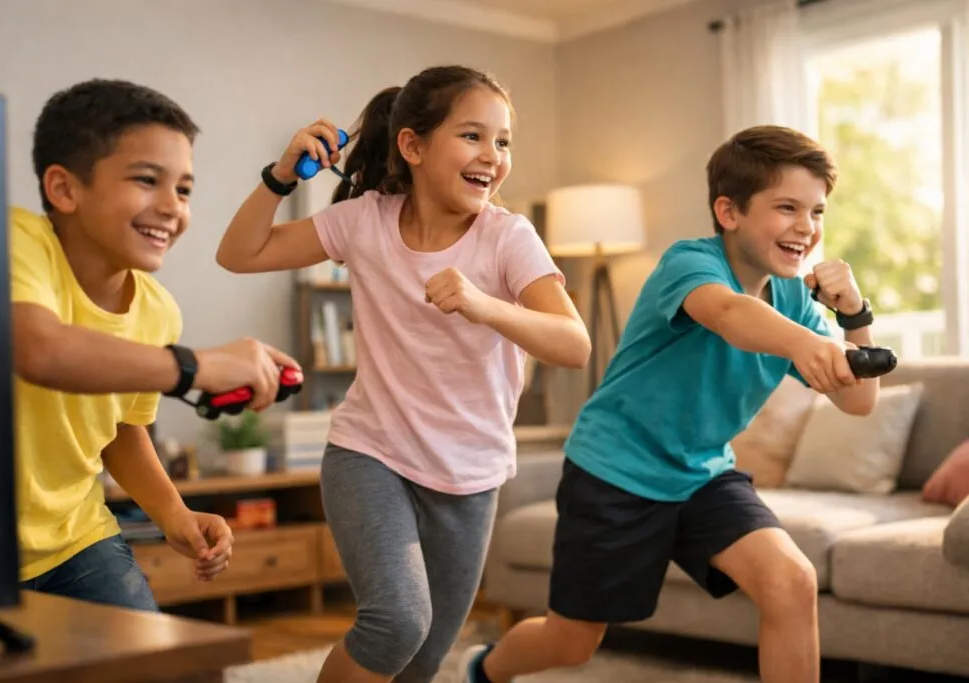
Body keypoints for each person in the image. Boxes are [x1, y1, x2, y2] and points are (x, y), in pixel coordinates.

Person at [461, 125, 881, 683]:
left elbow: (860, 403)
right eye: (787, 207)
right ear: (728, 211)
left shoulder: (790, 302)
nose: (807, 227)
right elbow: (730, 316)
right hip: (616, 472)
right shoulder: (689, 264)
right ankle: (485, 670)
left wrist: (854, 316)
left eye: (817, 212)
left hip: (702, 475)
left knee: (792, 581)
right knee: (572, 643)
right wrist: (807, 341)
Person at [216, 65, 591, 683]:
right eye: (473, 136)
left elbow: (574, 344)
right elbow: (239, 254)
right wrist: (281, 176)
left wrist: (484, 304)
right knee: (396, 621)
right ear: (412, 146)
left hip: (469, 474)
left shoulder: (508, 238)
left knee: (418, 663)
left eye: (503, 142)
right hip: (372, 453)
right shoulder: (364, 220)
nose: (492, 157)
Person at [12, 78, 302, 611]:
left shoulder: (157, 310)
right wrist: (197, 367)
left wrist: (175, 514)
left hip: (77, 539)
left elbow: (122, 429)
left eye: (184, 189)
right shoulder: (17, 242)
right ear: (64, 189)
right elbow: (40, 351)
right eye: (148, 180)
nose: (172, 206)